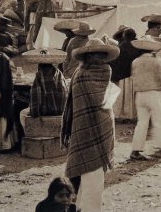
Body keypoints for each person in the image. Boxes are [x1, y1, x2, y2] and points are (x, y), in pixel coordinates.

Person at [61, 37, 120, 211]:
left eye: (102, 55)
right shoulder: (84, 75)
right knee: (91, 175)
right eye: (96, 55)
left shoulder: (85, 73)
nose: (100, 59)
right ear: (88, 56)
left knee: (91, 174)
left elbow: (103, 100)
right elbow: (104, 100)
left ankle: (79, 206)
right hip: (88, 125)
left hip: (96, 126)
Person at [129, 36, 161, 160]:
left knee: (142, 122)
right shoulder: (157, 61)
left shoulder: (135, 61)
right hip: (153, 93)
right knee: (160, 120)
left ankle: (136, 150)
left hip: (139, 94)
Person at [24, 48, 68, 118]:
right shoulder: (59, 73)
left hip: (46, 113)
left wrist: (34, 114)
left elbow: (35, 97)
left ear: (39, 65)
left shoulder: (39, 75)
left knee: (23, 113)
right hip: (61, 111)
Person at [110, 26, 141, 121]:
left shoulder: (122, 47)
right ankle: (133, 115)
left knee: (122, 97)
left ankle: (121, 115)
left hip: (123, 76)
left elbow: (115, 61)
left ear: (125, 36)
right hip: (135, 75)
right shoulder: (139, 45)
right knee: (133, 96)